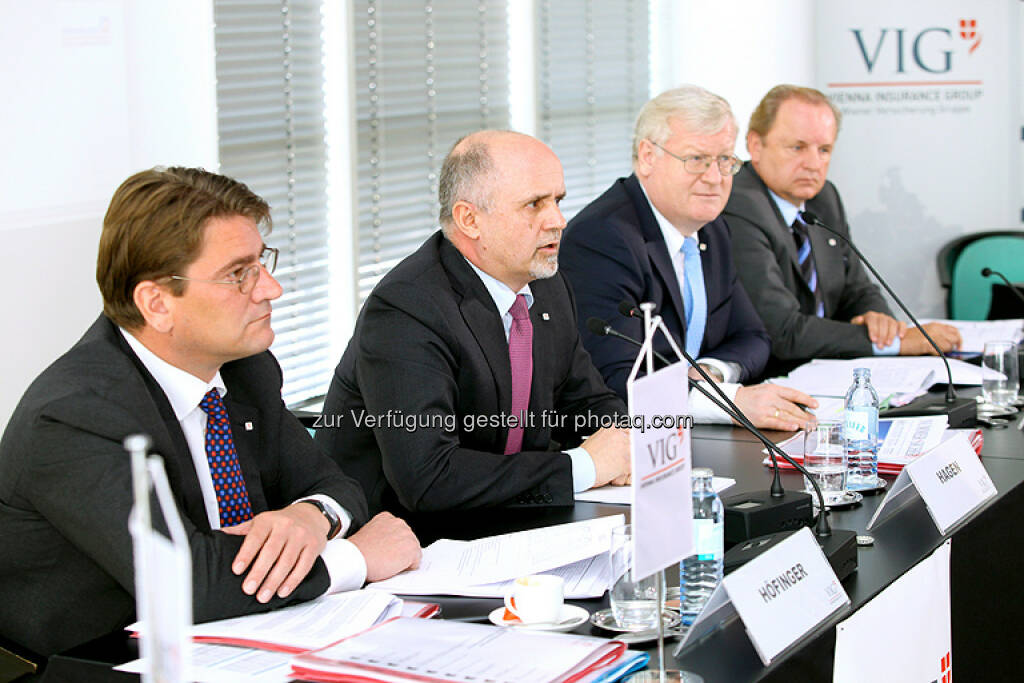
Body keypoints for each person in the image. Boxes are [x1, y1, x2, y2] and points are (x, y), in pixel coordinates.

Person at [0, 167, 421, 657]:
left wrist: (310, 517)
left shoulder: (246, 369)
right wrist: (354, 558)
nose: (270, 290)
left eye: (262, 263)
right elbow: (186, 583)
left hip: (245, 638)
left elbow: (335, 485)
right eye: (238, 274)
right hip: (104, 660)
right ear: (156, 303)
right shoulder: (74, 415)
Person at [316, 130, 631, 516]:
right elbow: (430, 478)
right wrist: (586, 466)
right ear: (469, 219)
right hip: (407, 538)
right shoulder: (407, 309)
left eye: (558, 201)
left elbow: (585, 400)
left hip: (509, 513)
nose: (559, 221)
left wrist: (630, 444)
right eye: (534, 204)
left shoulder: (543, 283)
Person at [560, 86, 817, 430]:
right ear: (648, 156)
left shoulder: (712, 229)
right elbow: (617, 378)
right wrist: (728, 401)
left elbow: (754, 337)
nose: (714, 178)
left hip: (691, 437)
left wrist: (711, 372)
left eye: (725, 160)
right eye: (696, 159)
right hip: (627, 445)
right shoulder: (603, 237)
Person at [724, 84, 962, 374]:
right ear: (755, 146)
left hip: (831, 374)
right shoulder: (737, 203)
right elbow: (783, 332)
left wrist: (876, 319)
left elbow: (857, 287)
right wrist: (898, 343)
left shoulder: (824, 198)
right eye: (797, 147)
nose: (813, 164)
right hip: (770, 381)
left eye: (824, 150)